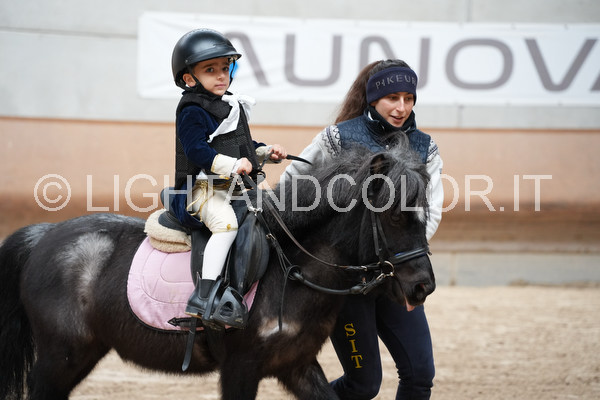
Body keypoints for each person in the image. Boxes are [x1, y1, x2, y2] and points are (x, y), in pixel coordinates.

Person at [281, 59, 443, 399]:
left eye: (409, 98)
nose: (401, 108)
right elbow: (292, 187)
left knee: (420, 376)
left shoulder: (425, 148)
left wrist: (402, 264)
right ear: (373, 99)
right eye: (392, 98)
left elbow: (428, 213)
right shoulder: (336, 138)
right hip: (348, 283)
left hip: (395, 275)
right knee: (363, 385)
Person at [169, 29, 286, 329]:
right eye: (210, 70)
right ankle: (204, 296)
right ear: (189, 78)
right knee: (226, 224)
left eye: (225, 68)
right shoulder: (192, 110)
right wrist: (232, 165)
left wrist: (264, 152)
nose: (222, 75)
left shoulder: (229, 104)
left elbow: (240, 145)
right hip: (200, 189)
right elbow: (196, 150)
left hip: (228, 186)